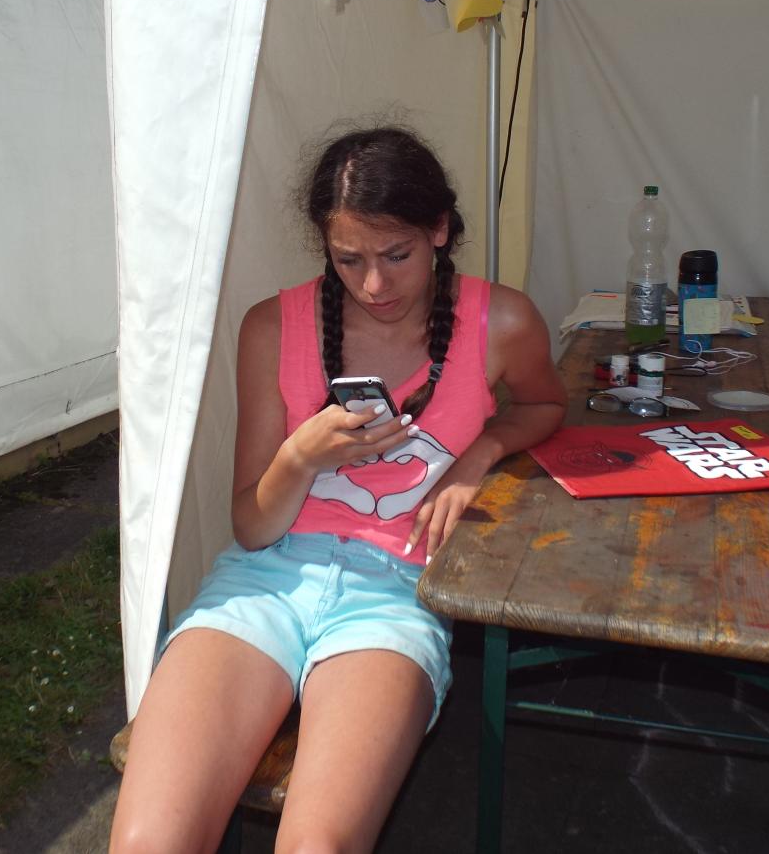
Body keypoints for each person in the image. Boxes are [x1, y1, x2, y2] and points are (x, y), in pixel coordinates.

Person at [110, 125, 566, 853]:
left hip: (395, 595)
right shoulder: (272, 326)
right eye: (348, 259)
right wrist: (300, 455)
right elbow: (253, 526)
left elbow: (545, 404)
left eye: (397, 255)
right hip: (261, 581)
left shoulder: (502, 320)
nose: (374, 285)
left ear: (439, 229)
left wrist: (480, 452)